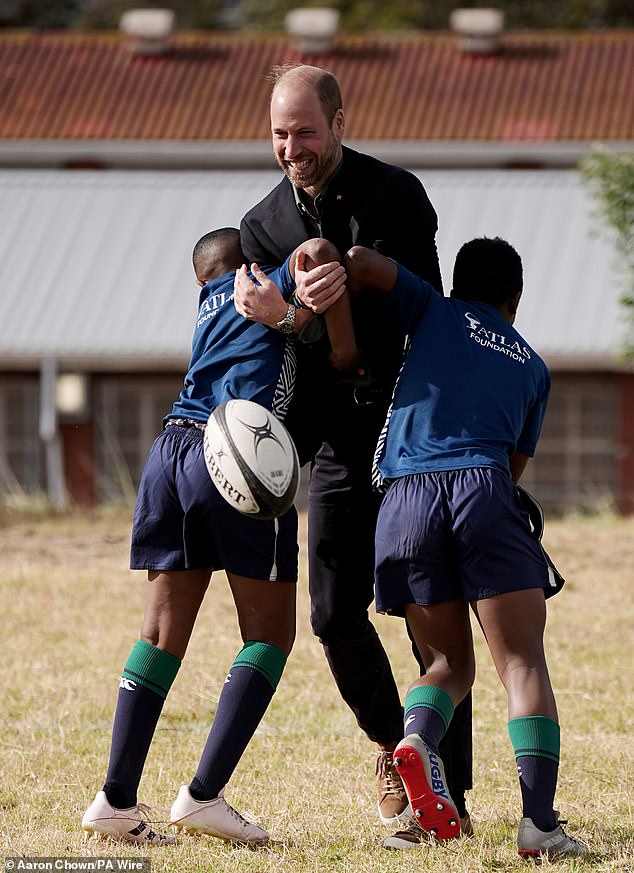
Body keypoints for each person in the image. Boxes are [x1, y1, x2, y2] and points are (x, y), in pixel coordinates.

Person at [237, 62, 474, 830]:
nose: (291, 146)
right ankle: (393, 746)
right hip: (335, 440)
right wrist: (287, 321)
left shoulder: (397, 197)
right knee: (335, 613)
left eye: (305, 130)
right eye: (279, 132)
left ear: (339, 121)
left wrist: (347, 296)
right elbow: (274, 359)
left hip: (410, 431)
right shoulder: (261, 225)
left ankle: (453, 795)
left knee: (425, 612)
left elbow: (429, 313)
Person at [81, 228, 352, 847]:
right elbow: (313, 250)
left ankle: (115, 800)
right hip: (236, 449)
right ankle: (203, 796)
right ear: (246, 266)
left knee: (158, 634)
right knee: (270, 633)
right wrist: (303, 303)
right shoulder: (259, 282)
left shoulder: (206, 308)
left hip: (171, 451)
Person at [340, 236, 587, 858]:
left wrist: (322, 260)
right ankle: (539, 827)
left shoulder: (432, 309)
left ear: (456, 285)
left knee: (446, 667)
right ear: (516, 298)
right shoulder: (532, 366)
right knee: (522, 663)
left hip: (403, 501)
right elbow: (513, 467)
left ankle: (417, 745)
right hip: (483, 486)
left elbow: (366, 263)